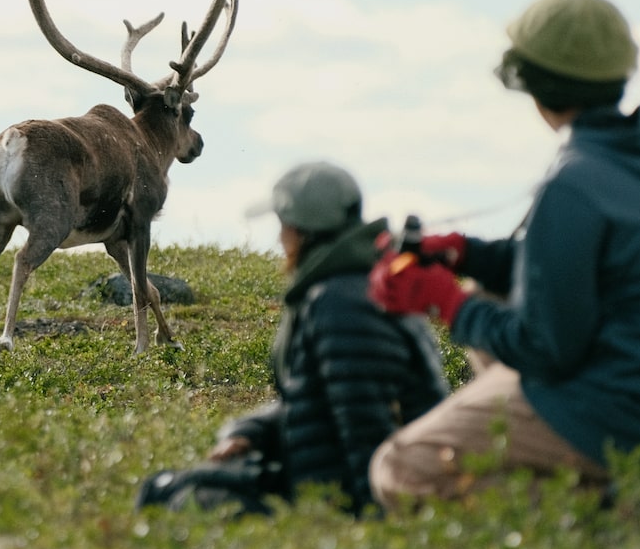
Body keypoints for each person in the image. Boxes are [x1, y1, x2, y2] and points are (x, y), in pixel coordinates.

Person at [366, 0, 640, 509]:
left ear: (533, 83)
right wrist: (465, 253)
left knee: (398, 467)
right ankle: (585, 474)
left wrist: (447, 303)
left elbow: (544, 351)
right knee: (493, 293)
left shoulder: (574, 183)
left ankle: (599, 512)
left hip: (633, 417)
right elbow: (570, 269)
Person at [136, 161, 450, 516]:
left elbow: (368, 430)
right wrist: (254, 430)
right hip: (324, 479)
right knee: (165, 488)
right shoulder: (357, 286)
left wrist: (372, 534)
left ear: (302, 231)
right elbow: (329, 401)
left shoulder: (343, 305)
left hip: (338, 499)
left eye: (283, 226)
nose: (279, 238)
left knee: (176, 500)